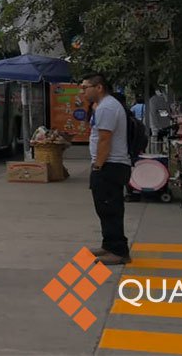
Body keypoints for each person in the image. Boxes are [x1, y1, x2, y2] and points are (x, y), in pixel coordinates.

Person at [80, 73, 132, 265]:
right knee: (104, 207)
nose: (83, 91)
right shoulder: (103, 106)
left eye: (86, 87)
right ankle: (109, 244)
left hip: (110, 165)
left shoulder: (108, 107)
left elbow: (105, 139)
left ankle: (118, 251)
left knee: (110, 208)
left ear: (99, 87)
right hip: (109, 165)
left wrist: (98, 166)